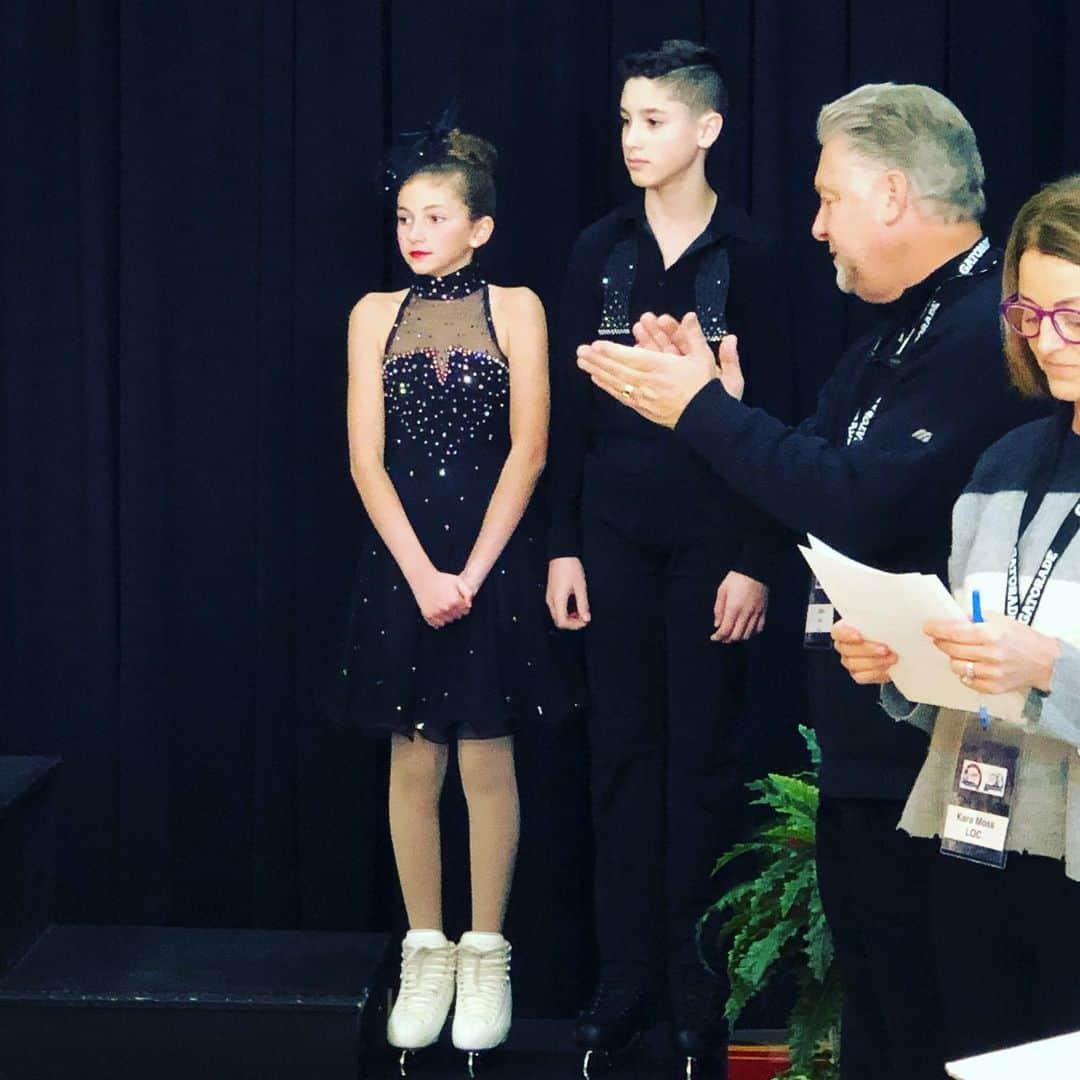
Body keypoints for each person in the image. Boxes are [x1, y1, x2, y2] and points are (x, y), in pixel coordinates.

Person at [575, 83, 1047, 1080]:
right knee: (879, 1030)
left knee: (945, 1036)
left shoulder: (982, 336)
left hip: (949, 764)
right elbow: (806, 475)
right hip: (867, 761)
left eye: (831, 198)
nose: (817, 223)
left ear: (889, 193)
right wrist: (725, 405)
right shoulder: (892, 333)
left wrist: (702, 409)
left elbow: (862, 501)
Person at [545, 39, 794, 1075]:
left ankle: (701, 994)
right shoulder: (596, 249)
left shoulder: (755, 253)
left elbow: (784, 420)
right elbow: (563, 415)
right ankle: (622, 985)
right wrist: (562, 547)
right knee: (619, 760)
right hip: (610, 533)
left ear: (707, 129)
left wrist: (755, 558)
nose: (633, 139)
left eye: (652, 121)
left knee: (703, 764)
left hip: (712, 538)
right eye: (624, 121)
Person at [330, 125, 569, 1073]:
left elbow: (532, 448)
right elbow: (363, 456)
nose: (416, 232)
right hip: (402, 557)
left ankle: (487, 954)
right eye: (404, 217)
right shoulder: (371, 313)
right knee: (411, 756)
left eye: (435, 217)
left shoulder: (516, 306)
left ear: (480, 226)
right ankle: (422, 951)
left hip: (491, 555)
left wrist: (470, 572)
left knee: (486, 753)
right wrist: (423, 573)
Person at [832, 174, 1080, 1061]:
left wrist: (1047, 664)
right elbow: (973, 644)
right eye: (1030, 315)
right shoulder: (1006, 459)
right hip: (975, 830)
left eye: (1073, 315)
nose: (1048, 342)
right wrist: (901, 661)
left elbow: (1031, 657)